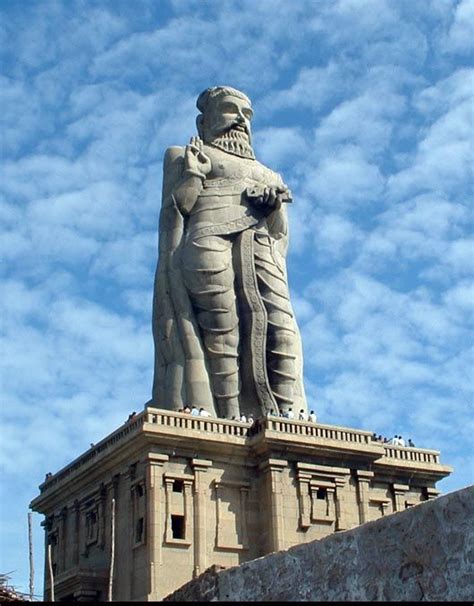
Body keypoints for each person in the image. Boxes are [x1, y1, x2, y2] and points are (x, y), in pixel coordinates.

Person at [151, 86, 307, 420]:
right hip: (207, 241)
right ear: (203, 121)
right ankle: (230, 415)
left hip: (262, 250)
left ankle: (284, 414)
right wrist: (194, 173)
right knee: (223, 330)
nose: (240, 120)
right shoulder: (183, 154)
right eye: (229, 109)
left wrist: (274, 205)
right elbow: (177, 210)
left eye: (247, 114)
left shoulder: (269, 173)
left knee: (281, 328)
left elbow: (280, 233)